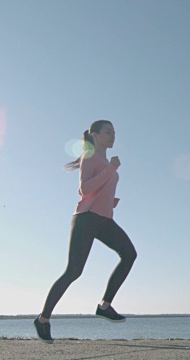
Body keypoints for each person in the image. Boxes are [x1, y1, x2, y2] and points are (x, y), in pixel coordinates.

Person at [34, 120, 137, 344]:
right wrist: (111, 169)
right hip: (86, 220)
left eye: (114, 132)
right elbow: (84, 189)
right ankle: (43, 319)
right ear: (94, 135)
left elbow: (99, 191)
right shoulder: (89, 157)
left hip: (104, 219)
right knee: (73, 271)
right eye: (108, 132)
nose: (113, 136)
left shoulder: (104, 161)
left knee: (129, 254)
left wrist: (110, 201)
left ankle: (105, 306)